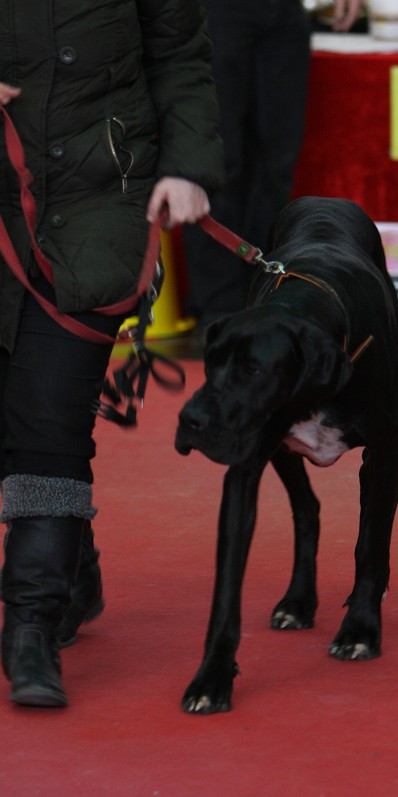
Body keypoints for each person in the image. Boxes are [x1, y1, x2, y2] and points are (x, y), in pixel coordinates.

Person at [0, 0, 224, 708]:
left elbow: (180, 56)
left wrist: (188, 167)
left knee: (47, 418)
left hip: (102, 206)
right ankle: (74, 566)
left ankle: (29, 629)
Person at [183, 0, 362, 332]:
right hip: (217, 11)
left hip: (285, 12)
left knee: (277, 163)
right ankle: (217, 307)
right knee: (220, 160)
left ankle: (265, 295)